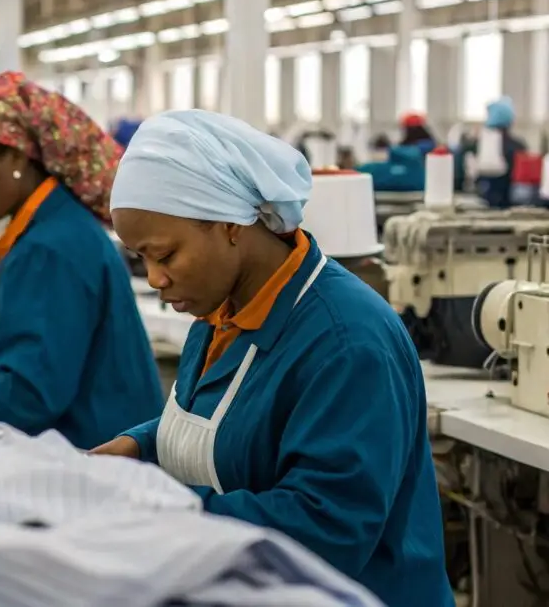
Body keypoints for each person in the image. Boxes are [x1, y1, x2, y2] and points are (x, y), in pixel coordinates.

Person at [91, 110, 453, 607]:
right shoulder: (223, 308)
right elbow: (231, 420)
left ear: (228, 224)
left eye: (166, 255)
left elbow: (326, 527)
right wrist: (139, 447)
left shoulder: (346, 341)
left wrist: (156, 513)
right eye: (141, 259)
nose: (154, 279)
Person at [0, 71, 164, 450]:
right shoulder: (54, 228)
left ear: (14, 156)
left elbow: (28, 399)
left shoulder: (51, 249)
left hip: (94, 458)